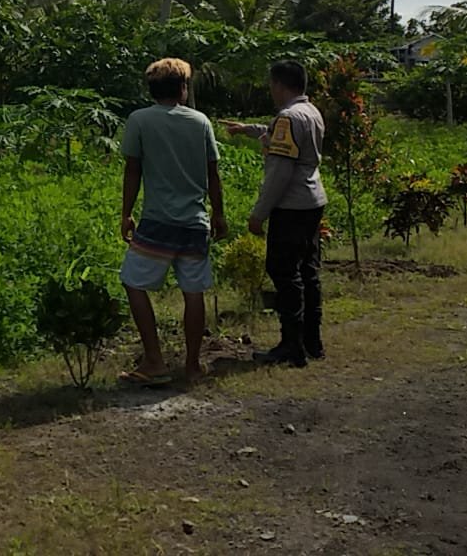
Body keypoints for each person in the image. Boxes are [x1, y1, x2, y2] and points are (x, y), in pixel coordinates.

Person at [118, 57, 227, 386]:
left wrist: (126, 213)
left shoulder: (139, 120)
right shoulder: (201, 122)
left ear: (152, 90)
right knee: (193, 292)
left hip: (158, 220)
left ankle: (155, 360)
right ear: (182, 88)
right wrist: (219, 214)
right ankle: (193, 365)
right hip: (195, 221)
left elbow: (133, 170)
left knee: (133, 281)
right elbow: (213, 173)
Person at [222, 60, 327, 368]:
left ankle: (291, 346)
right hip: (313, 201)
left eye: (272, 85)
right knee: (308, 272)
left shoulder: (287, 117)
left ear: (281, 85)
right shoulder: (310, 112)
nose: (271, 91)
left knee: (284, 272)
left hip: (291, 206)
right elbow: (276, 135)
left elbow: (280, 172)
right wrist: (247, 131)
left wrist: (259, 214)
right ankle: (312, 341)